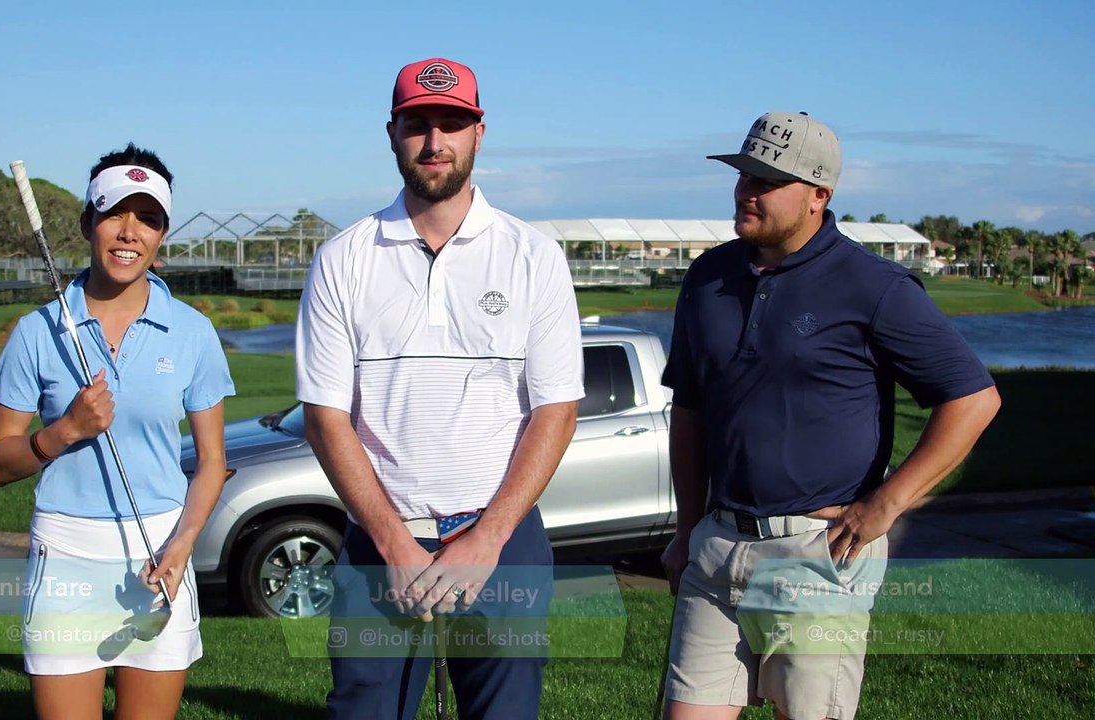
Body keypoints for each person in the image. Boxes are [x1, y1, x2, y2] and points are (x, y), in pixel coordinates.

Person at [659, 111, 1001, 720]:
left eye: (767, 180)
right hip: (716, 551)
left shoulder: (874, 286)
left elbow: (974, 400)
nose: (747, 190)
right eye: (743, 175)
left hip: (817, 557)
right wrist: (688, 529)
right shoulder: (708, 276)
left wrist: (885, 504)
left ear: (819, 195)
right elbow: (689, 411)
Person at [296, 57, 584, 720]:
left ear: (480, 132)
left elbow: (555, 412)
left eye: (452, 123)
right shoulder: (344, 257)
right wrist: (396, 543)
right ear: (392, 133)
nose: (434, 141)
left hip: (502, 542)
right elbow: (325, 418)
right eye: (417, 124)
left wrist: (487, 539)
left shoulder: (532, 255)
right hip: (381, 542)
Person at [0, 143, 234, 719]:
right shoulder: (37, 331)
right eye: (115, 213)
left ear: (162, 234)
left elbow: (213, 461)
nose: (129, 232)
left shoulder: (192, 332)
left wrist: (183, 546)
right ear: (87, 223)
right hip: (66, 554)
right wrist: (64, 431)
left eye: (148, 219)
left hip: (161, 552)